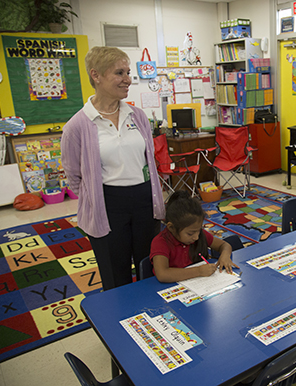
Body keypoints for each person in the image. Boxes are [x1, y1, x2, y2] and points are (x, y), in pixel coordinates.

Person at [62, 46, 164, 291]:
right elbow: (74, 177)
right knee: (115, 274)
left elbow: (148, 159)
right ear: (96, 75)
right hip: (107, 204)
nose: (128, 79)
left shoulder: (137, 116)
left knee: (149, 267)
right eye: (119, 73)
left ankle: (152, 317)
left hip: (144, 200)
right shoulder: (77, 126)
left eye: (128, 72)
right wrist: (95, 197)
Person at [150, 190, 238, 283]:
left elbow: (224, 245)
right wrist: (198, 271)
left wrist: (225, 256)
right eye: (190, 234)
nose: (196, 237)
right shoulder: (160, 242)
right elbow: (163, 274)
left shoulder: (199, 234)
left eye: (199, 230)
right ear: (171, 227)